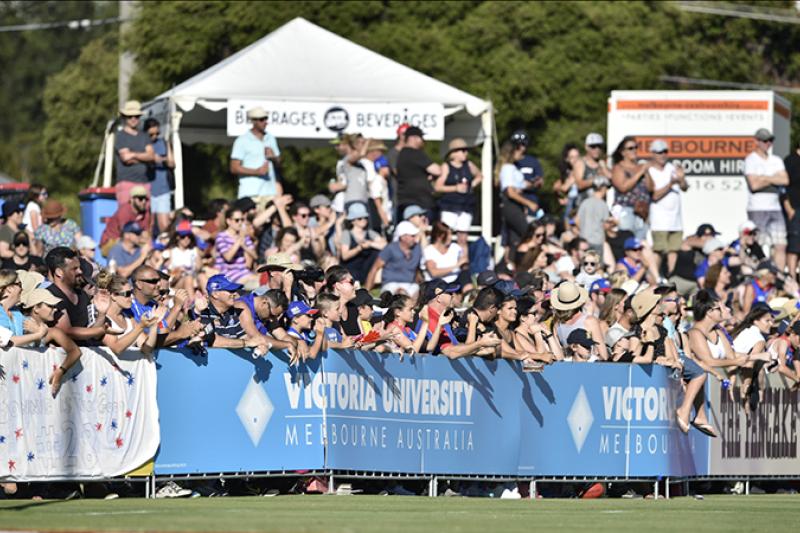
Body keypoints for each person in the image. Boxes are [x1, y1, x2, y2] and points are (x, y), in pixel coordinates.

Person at [20, 288, 82, 396]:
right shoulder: (18, 322)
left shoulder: (52, 332)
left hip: (34, 388)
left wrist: (60, 371)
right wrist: (37, 335)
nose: (55, 309)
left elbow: (75, 351)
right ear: (36, 308)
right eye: (50, 306)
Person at [745, 128, 789, 270]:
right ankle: (759, 275)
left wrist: (764, 178)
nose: (768, 143)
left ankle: (780, 277)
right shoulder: (751, 160)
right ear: (756, 141)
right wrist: (774, 179)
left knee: (780, 244)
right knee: (758, 244)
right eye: (765, 140)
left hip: (775, 207)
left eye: (770, 140)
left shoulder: (776, 160)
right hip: (757, 208)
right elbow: (754, 185)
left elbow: (785, 180)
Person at [44, 247, 106, 343]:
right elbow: (67, 331)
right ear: (59, 272)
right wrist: (98, 331)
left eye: (79, 267)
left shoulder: (82, 295)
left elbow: (94, 335)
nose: (80, 272)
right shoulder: (50, 295)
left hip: (87, 355)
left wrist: (102, 314)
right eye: (74, 269)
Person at [645, 139, 687, 276]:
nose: (662, 155)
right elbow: (655, 195)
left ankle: (671, 277)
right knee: (659, 250)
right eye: (659, 152)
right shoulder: (649, 171)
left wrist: (681, 179)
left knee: (673, 250)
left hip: (676, 219)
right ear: (653, 154)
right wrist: (671, 183)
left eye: (665, 151)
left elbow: (685, 187)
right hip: (659, 220)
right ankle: (655, 277)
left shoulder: (672, 168)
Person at [196, 274, 269, 352]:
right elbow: (214, 340)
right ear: (215, 294)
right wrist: (247, 343)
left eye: (234, 290)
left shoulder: (231, 312)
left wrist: (259, 344)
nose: (235, 294)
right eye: (230, 291)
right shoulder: (204, 312)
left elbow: (243, 336)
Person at [230, 106, 282, 206]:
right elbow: (234, 167)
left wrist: (273, 158)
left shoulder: (270, 138)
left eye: (266, 119)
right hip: (250, 192)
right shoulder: (242, 141)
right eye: (262, 119)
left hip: (270, 192)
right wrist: (256, 172)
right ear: (254, 121)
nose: (265, 122)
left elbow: (279, 163)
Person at [435, 138, 483, 238]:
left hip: (466, 205)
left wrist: (471, 185)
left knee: (463, 237)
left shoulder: (469, 165)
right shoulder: (446, 166)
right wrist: (455, 188)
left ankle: (463, 254)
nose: (465, 153)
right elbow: (438, 187)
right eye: (463, 151)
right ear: (454, 153)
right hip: (450, 206)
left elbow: (480, 175)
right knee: (446, 235)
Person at [551, 281, 609, 361]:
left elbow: (559, 355)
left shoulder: (556, 324)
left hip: (567, 368)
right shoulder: (590, 321)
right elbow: (603, 355)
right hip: (590, 368)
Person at [115, 100, 157, 204]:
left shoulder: (144, 136)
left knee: (145, 217)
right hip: (126, 183)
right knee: (126, 215)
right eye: (130, 116)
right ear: (125, 118)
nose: (133, 119)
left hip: (144, 183)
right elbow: (126, 159)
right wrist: (145, 158)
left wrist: (133, 154)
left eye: (136, 116)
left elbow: (152, 156)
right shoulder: (121, 136)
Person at [497, 141, 538, 248]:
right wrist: (529, 203)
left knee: (515, 240)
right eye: (518, 150)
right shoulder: (508, 168)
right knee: (527, 233)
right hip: (511, 206)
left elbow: (520, 185)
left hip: (515, 206)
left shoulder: (513, 168)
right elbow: (510, 192)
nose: (521, 153)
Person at [395, 126, 441, 220]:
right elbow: (437, 170)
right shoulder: (415, 153)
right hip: (419, 202)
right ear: (413, 138)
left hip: (406, 200)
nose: (422, 141)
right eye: (420, 137)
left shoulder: (402, 154)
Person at [365, 221, 421, 296]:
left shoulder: (417, 248)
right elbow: (375, 268)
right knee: (400, 294)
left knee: (418, 293)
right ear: (403, 237)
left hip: (410, 285)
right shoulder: (390, 248)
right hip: (391, 285)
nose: (415, 238)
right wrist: (366, 291)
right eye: (412, 236)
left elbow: (417, 270)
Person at [611, 136, 651, 241]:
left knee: (640, 244)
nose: (634, 151)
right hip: (625, 210)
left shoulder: (641, 167)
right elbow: (622, 187)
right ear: (623, 152)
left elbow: (651, 188)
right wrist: (640, 173)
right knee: (626, 241)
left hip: (642, 212)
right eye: (630, 148)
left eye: (636, 147)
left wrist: (646, 172)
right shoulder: (618, 168)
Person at [339, 202, 385, 284]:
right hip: (352, 268)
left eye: (365, 218)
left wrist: (370, 244)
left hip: (367, 268)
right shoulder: (347, 234)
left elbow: (385, 245)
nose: (364, 220)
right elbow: (344, 256)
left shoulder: (370, 233)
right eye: (360, 218)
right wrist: (359, 248)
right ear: (352, 221)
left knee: (377, 252)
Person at [214, 206, 259, 287]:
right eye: (237, 220)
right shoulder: (221, 236)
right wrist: (239, 241)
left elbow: (255, 256)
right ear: (228, 221)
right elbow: (228, 257)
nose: (240, 223)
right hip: (227, 273)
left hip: (244, 272)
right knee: (255, 281)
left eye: (242, 220)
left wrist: (244, 245)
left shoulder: (244, 237)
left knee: (261, 278)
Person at [143, 118, 175, 232]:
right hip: (147, 189)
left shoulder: (163, 143)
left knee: (164, 224)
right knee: (149, 224)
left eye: (157, 133)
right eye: (151, 134)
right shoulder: (142, 144)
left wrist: (159, 159)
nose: (154, 137)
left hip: (162, 189)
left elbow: (171, 163)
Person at [32, 201, 83, 266]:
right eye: (49, 218)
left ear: (59, 216)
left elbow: (81, 244)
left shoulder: (71, 225)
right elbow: (38, 252)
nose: (50, 220)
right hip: (50, 265)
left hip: (70, 263)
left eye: (53, 218)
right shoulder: (42, 230)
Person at [422, 222, 469, 287]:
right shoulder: (429, 251)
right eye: (448, 235)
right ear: (439, 237)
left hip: (455, 282)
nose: (450, 237)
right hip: (436, 284)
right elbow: (434, 273)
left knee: (466, 276)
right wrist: (456, 265)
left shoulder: (455, 247)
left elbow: (464, 264)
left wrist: (464, 263)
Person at [510, 130, 545, 217]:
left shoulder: (533, 161)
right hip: (513, 201)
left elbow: (540, 180)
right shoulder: (508, 163)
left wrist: (533, 184)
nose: (521, 148)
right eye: (518, 145)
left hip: (530, 200)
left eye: (523, 144)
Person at [576, 176, 613, 255]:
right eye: (606, 188)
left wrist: (584, 230)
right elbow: (605, 225)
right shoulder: (603, 205)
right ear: (602, 188)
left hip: (584, 239)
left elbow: (577, 221)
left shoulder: (585, 202)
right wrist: (615, 223)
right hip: (597, 241)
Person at [784, 137, 800, 280]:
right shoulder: (790, 161)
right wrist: (789, 209)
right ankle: (792, 279)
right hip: (795, 209)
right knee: (794, 246)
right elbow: (782, 189)